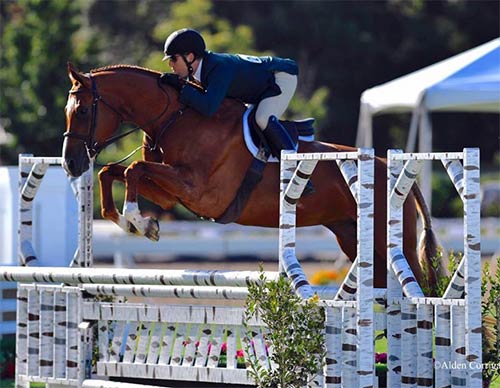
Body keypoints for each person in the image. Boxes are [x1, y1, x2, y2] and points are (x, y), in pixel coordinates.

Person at [160, 28, 303, 163]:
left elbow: (209, 107)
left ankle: (294, 167)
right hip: (262, 87)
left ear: (190, 57)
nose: (171, 65)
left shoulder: (219, 68)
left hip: (280, 77)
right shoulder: (201, 71)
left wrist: (180, 87)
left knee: (262, 118)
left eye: (173, 59)